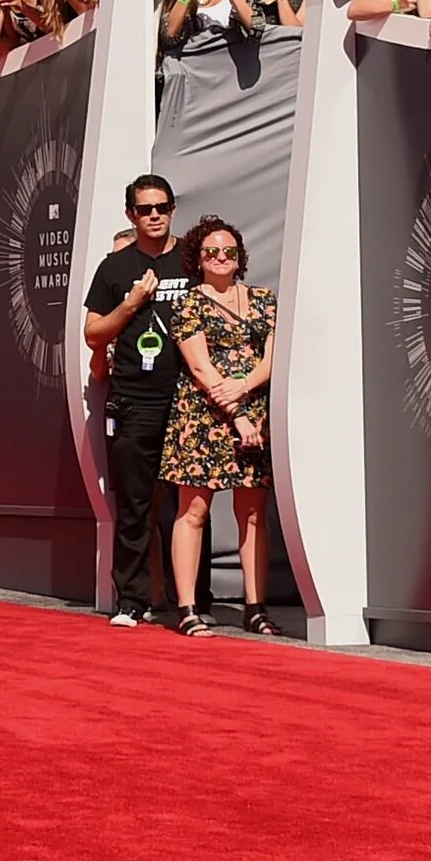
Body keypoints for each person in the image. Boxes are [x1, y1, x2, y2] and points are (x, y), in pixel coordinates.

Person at [160, 215, 282, 638]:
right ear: (197, 258)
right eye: (211, 251)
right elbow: (199, 365)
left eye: (229, 250)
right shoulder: (188, 303)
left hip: (255, 411)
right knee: (193, 511)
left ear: (240, 256)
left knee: (252, 513)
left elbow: (271, 357)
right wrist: (239, 413)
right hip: (203, 416)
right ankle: (189, 607)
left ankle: (255, 607)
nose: (221, 257)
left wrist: (246, 387)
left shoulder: (265, 300)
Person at [84, 175, 191, 629]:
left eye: (162, 207)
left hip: (189, 396)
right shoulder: (113, 268)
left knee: (191, 504)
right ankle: (131, 599)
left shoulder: (193, 258)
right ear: (131, 213)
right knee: (134, 504)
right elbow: (93, 333)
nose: (154, 215)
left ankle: (191, 600)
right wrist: (132, 303)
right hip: (134, 399)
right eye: (145, 208)